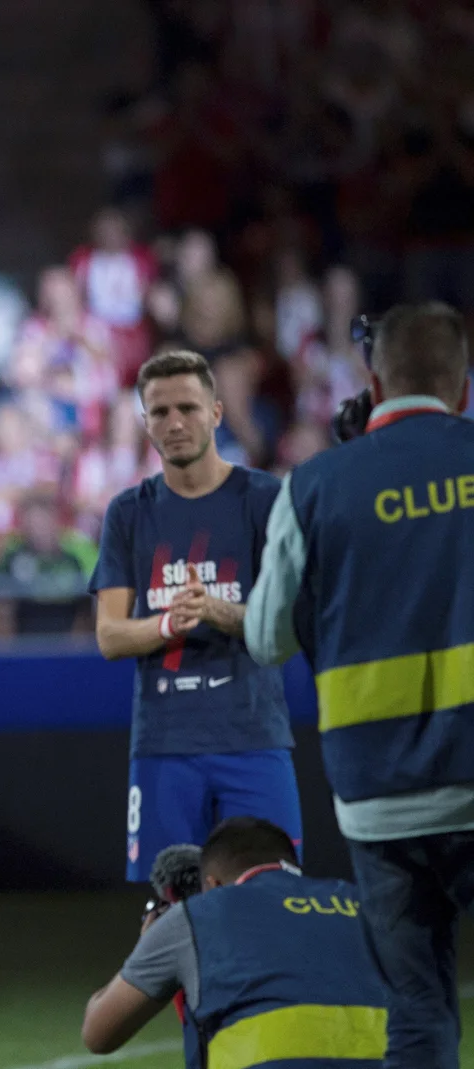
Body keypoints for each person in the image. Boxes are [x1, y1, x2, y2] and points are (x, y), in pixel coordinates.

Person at [245, 301, 474, 1068]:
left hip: (379, 799)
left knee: (417, 1011)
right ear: (462, 384)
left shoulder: (314, 485)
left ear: (373, 380)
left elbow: (265, 635)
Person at [88, 349, 300, 889]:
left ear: (217, 412)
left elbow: (291, 626)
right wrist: (168, 623)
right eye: (159, 413)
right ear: (144, 423)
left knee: (272, 898)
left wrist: (216, 611)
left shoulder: (264, 499)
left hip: (252, 735)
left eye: (188, 407)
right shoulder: (128, 512)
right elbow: (109, 636)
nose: (175, 423)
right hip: (164, 743)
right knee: (168, 910)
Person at [81, 817, 389, 1065]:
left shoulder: (195, 915)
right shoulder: (362, 902)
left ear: (212, 884)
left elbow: (98, 1033)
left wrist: (146, 947)